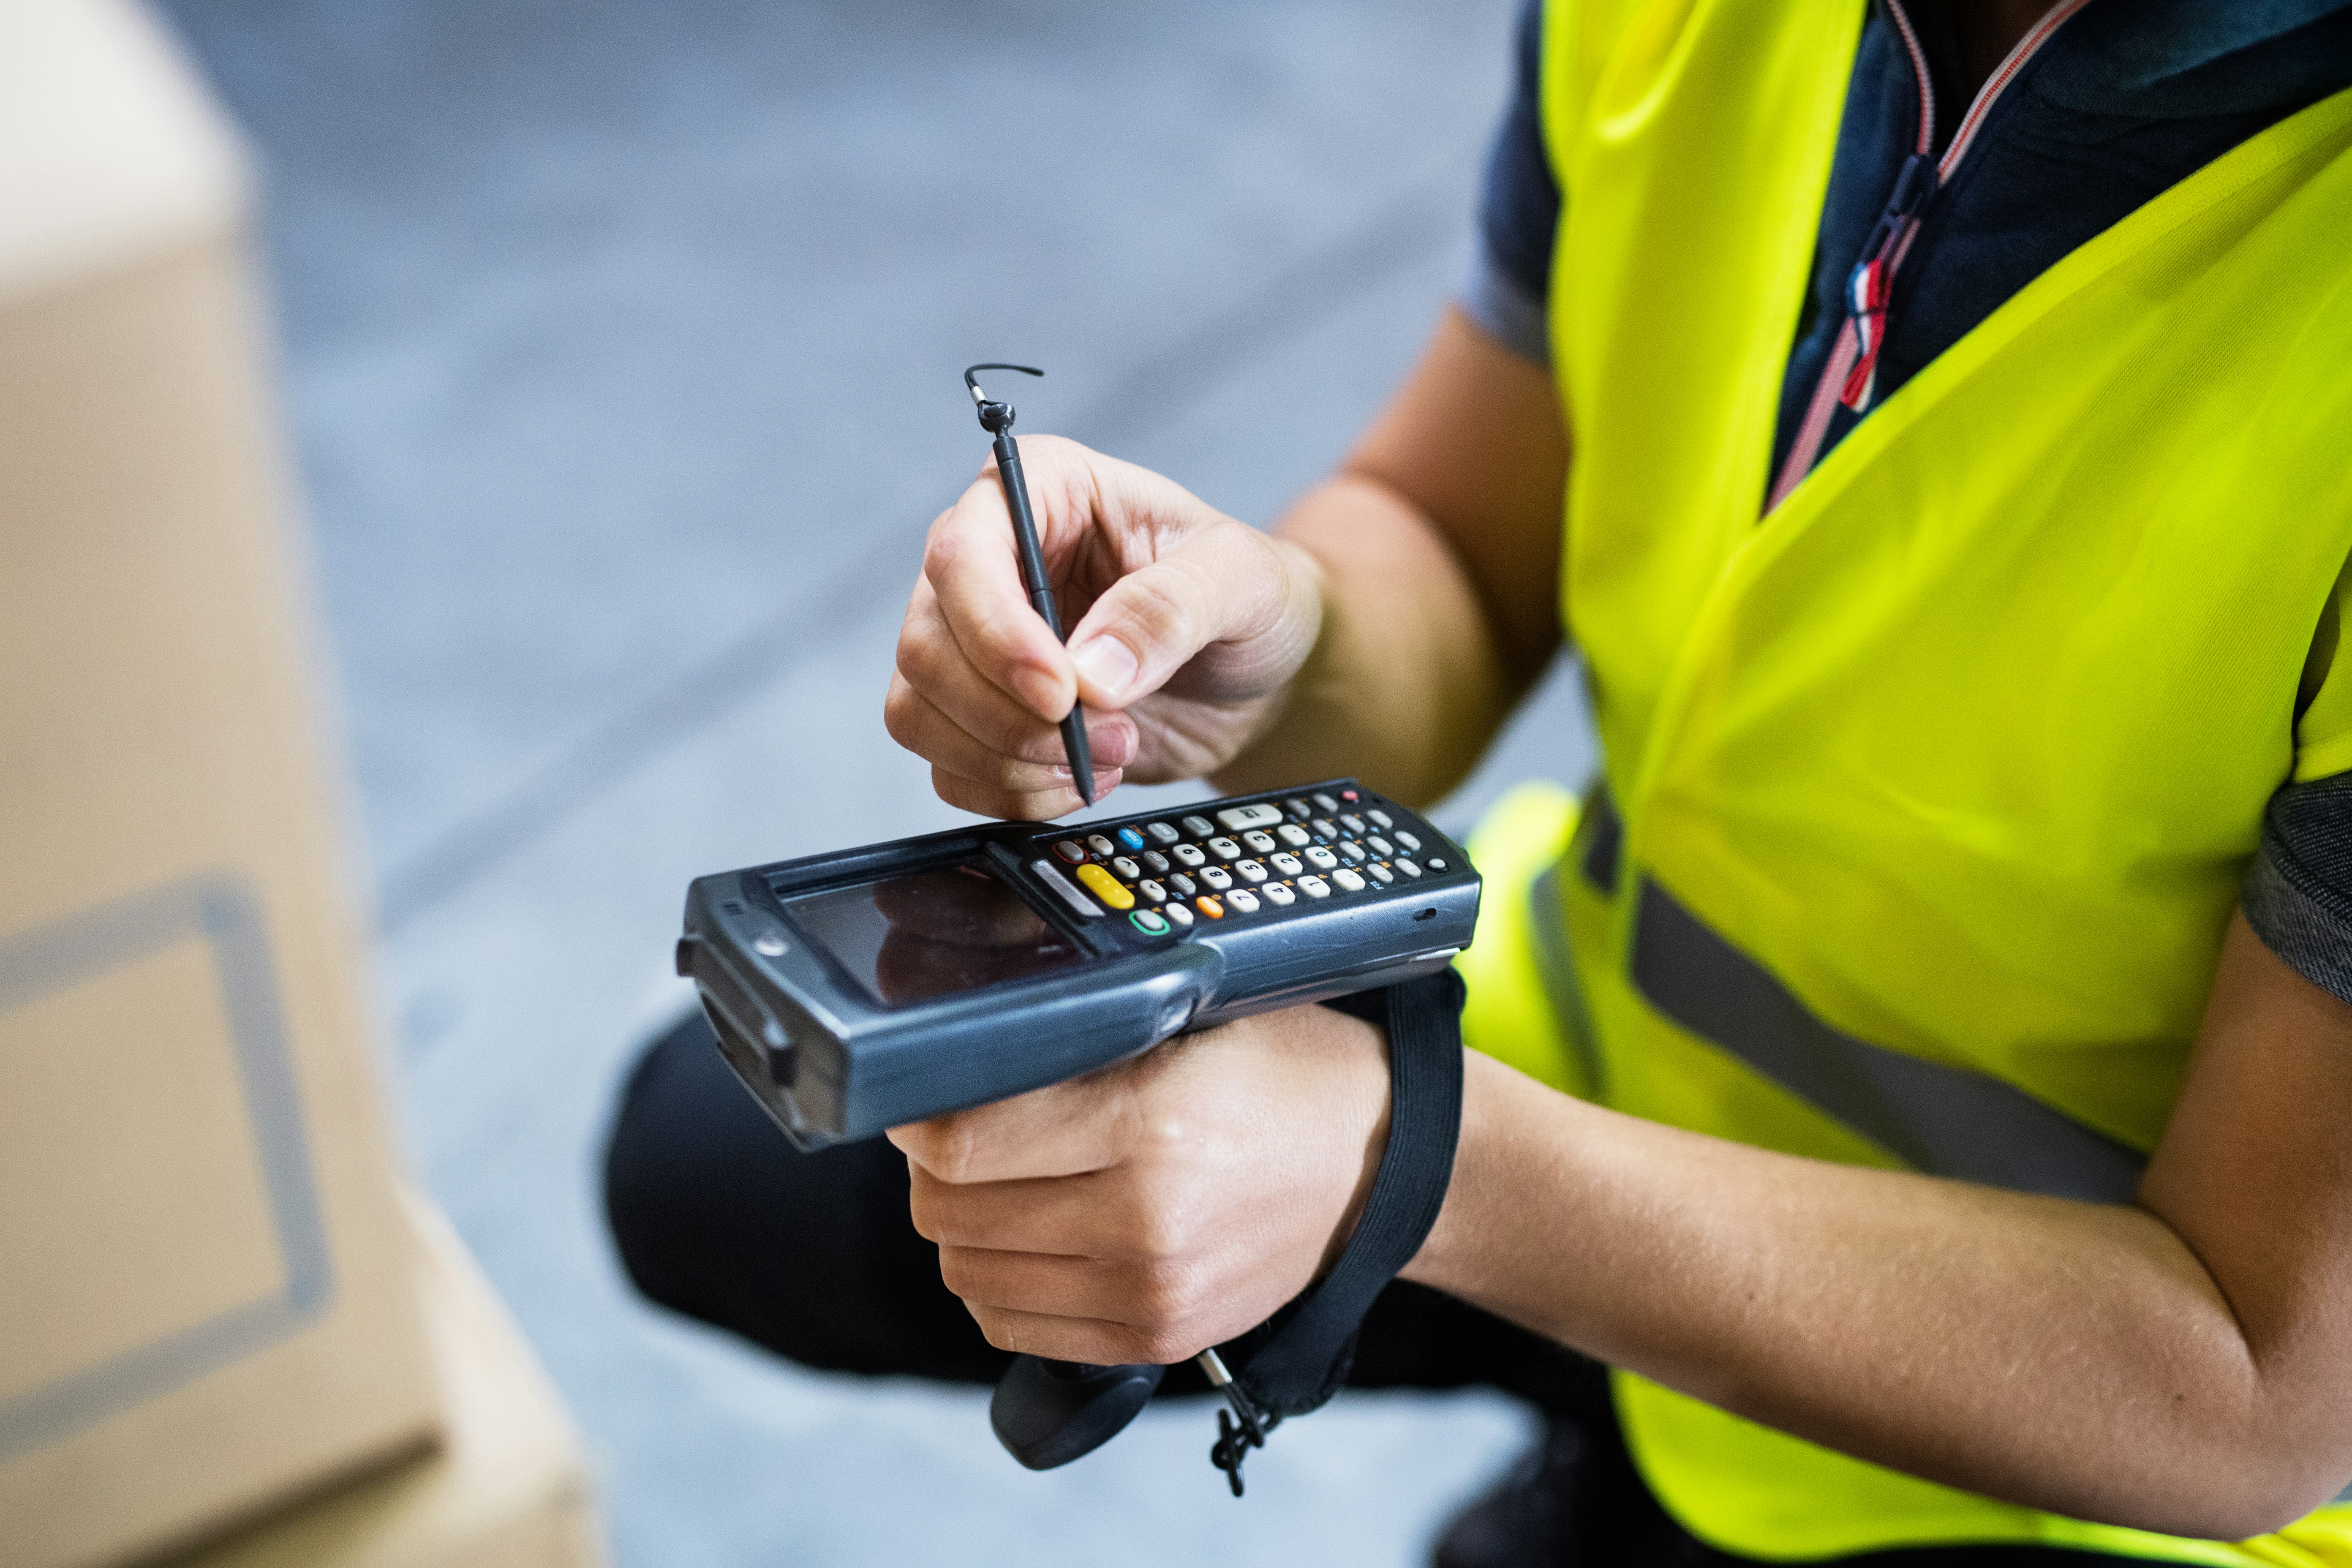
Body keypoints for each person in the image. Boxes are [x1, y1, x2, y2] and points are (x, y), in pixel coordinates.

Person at [606, 1, 2352, 1561]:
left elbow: (2256, 1388)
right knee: (708, 1153)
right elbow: (1457, 530)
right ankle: (1610, 1428)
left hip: (2072, 1439)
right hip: (1619, 1071)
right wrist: (1271, 649)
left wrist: (1420, 1167)